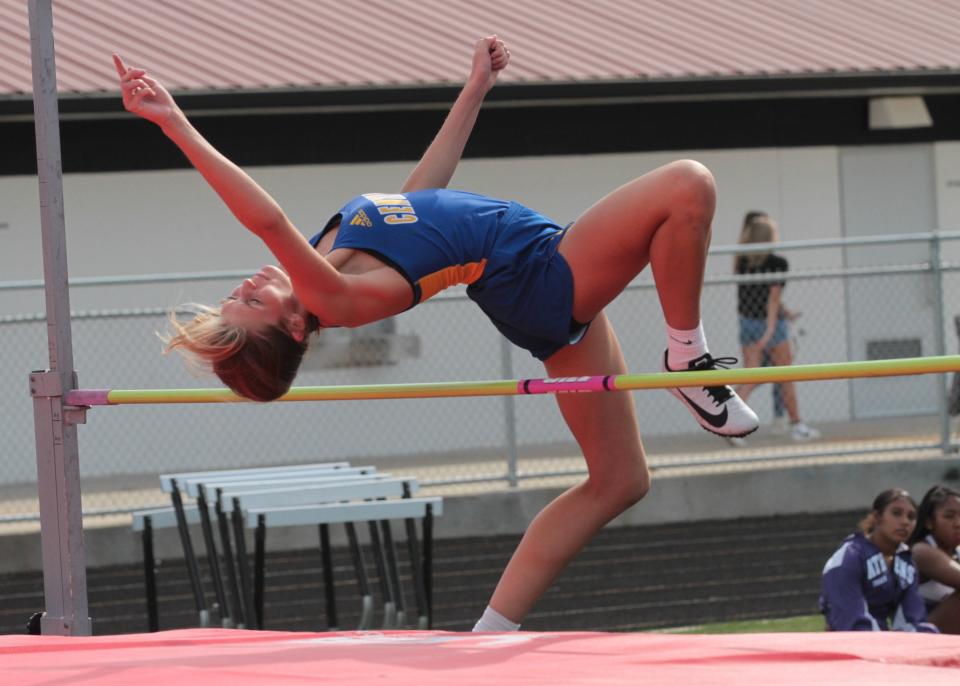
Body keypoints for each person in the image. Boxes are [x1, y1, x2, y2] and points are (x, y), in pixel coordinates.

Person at [112, 36, 759, 633]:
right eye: (249, 301)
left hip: (534, 282)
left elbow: (419, 199)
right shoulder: (325, 292)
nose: (247, 283)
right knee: (687, 186)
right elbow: (265, 218)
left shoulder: (331, 258)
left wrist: (474, 88)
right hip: (535, 273)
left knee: (619, 479)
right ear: (288, 321)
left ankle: (487, 636)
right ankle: (686, 357)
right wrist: (177, 124)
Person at [733, 215, 819, 442]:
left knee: (750, 375)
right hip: (768, 325)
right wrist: (770, 331)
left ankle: (729, 423)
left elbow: (764, 296)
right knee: (785, 375)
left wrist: (787, 312)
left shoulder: (742, 262)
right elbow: (771, 300)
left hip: (747, 322)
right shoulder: (778, 262)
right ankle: (797, 425)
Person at [820, 489, 937, 632]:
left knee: (929, 633)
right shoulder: (849, 557)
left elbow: (912, 619)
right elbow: (850, 621)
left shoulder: (906, 562)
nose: (905, 522)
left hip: (884, 642)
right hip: (851, 641)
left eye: (911, 517)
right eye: (896, 513)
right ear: (877, 517)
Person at [909, 485, 960, 634]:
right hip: (913, 637)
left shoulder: (957, 550)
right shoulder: (921, 551)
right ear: (929, 522)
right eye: (949, 516)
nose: (958, 523)